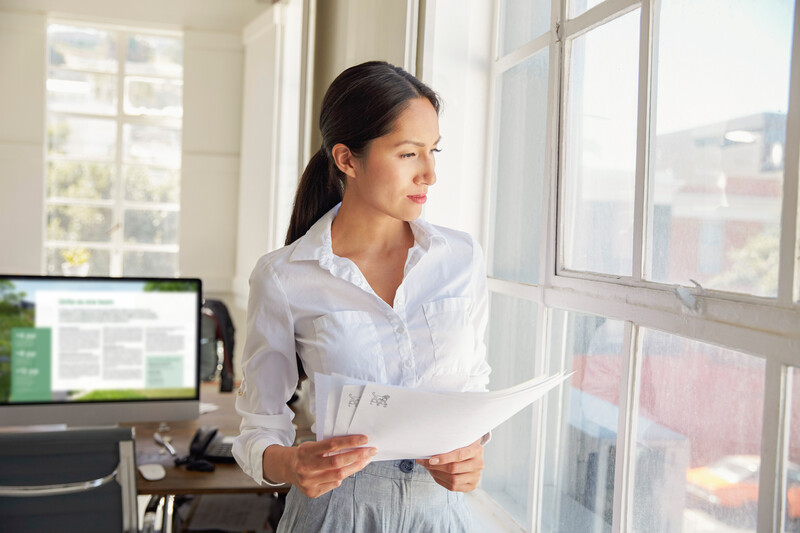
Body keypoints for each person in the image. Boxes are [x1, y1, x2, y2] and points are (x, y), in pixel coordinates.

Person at [233, 60, 491, 532]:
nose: (429, 173)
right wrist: (293, 465)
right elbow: (259, 428)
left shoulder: (461, 258)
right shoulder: (284, 276)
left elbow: (472, 388)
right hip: (336, 513)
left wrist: (472, 451)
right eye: (408, 154)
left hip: (444, 516)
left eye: (434, 151)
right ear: (347, 159)